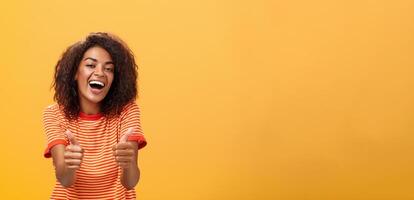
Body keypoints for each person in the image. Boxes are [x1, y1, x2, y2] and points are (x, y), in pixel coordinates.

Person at [42, 32, 147, 199]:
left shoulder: (127, 111)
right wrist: (70, 165)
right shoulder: (54, 114)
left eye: (109, 69)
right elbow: (65, 179)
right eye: (91, 65)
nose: (100, 73)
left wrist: (128, 163)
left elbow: (130, 182)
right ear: (75, 73)